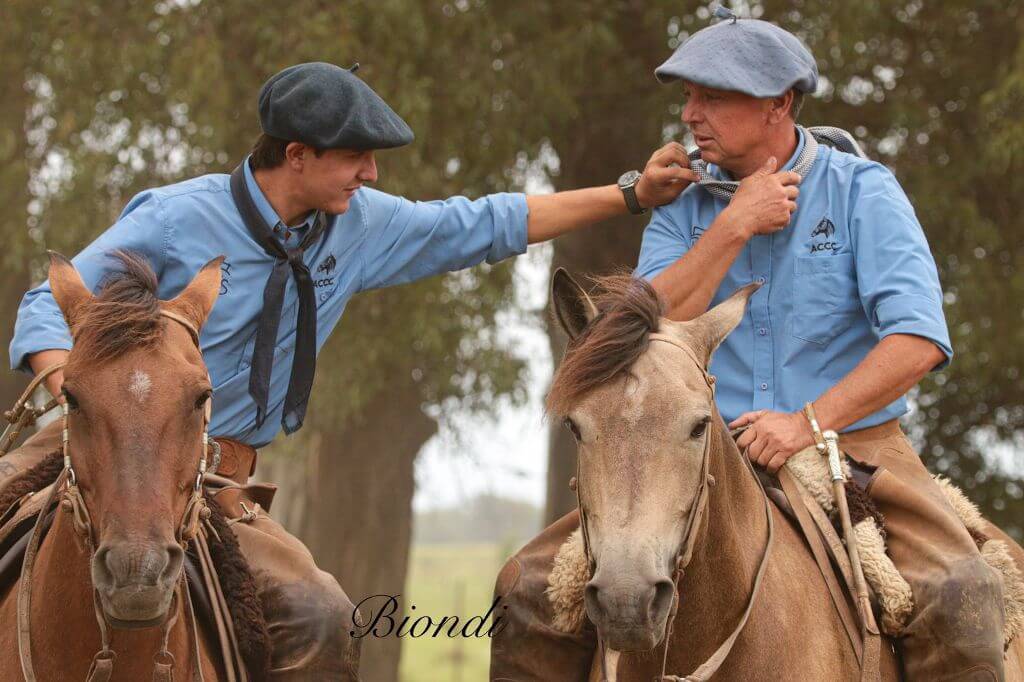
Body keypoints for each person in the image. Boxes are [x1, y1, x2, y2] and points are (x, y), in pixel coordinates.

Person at [4, 62, 695, 679]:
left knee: (323, 617)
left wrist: (631, 194)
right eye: (357, 157)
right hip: (102, 447)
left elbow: (481, 224)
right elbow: (48, 304)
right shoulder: (177, 215)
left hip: (216, 479)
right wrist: (86, 396)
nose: (371, 174)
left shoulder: (359, 226)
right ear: (297, 155)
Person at [491, 9, 1005, 681]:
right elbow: (639, 330)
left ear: (779, 104)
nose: (691, 114)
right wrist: (733, 225)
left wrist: (806, 423)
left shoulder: (863, 193)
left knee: (961, 595)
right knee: (527, 593)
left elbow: (917, 342)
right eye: (687, 97)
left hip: (852, 450)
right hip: (694, 450)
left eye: (712, 96)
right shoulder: (682, 204)